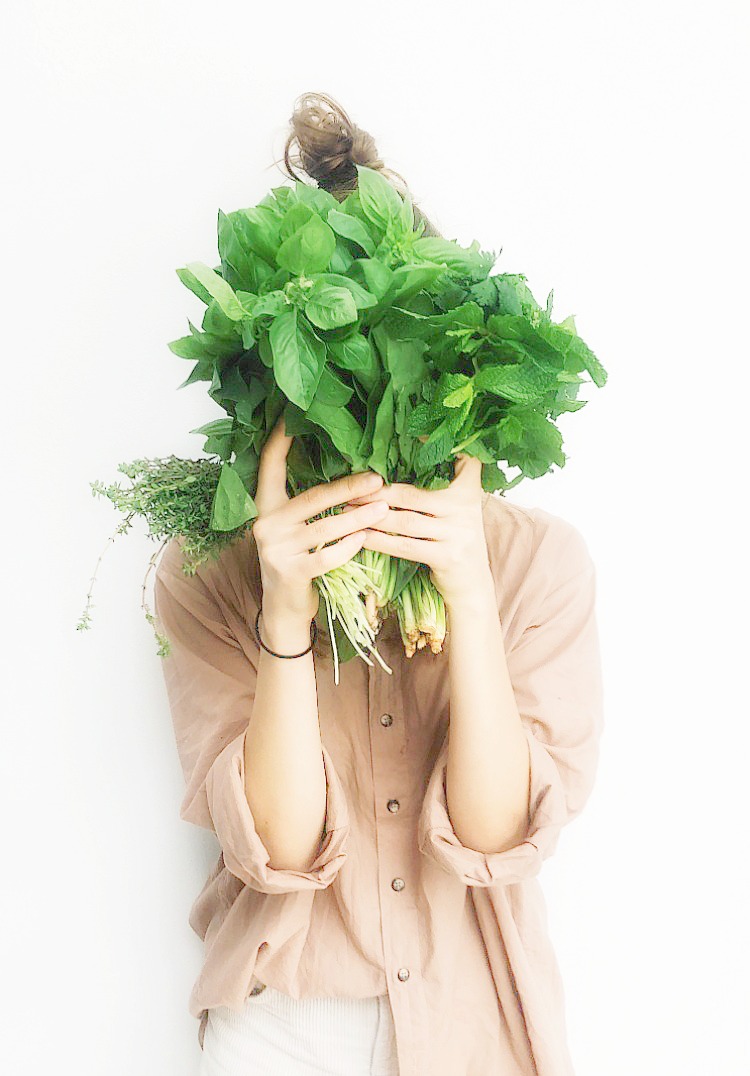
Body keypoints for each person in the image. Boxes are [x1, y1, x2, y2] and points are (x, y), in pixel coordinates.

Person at [153, 91, 605, 1076]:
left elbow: (497, 838)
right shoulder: (208, 569)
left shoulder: (539, 562)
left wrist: (470, 597)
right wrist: (282, 614)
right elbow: (275, 847)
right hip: (283, 1019)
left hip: (474, 1018)